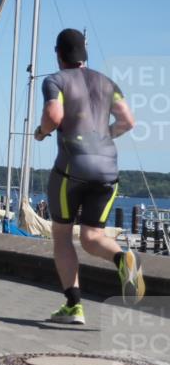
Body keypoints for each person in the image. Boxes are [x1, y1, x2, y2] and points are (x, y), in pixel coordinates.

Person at [35, 28, 145, 325]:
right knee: (92, 236)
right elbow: (127, 121)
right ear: (84, 54)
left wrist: (42, 132)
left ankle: (73, 306)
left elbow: (53, 116)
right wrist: (104, 135)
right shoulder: (107, 83)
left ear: (58, 54)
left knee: (61, 235)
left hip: (72, 168)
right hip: (108, 169)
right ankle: (124, 260)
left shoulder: (55, 80)